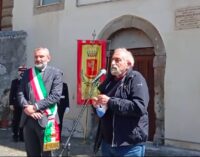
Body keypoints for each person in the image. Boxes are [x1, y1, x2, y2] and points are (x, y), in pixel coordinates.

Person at [92, 48, 149, 157]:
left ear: (129, 64)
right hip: (107, 144)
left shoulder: (136, 78)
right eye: (112, 60)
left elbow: (139, 107)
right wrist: (97, 106)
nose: (113, 63)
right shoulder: (108, 82)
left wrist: (110, 101)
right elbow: (104, 110)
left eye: (117, 60)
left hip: (129, 145)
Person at [17, 47, 63, 157]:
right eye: (36, 56)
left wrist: (35, 107)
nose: (38, 59)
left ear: (48, 58)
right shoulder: (28, 73)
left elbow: (55, 96)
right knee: (31, 154)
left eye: (41, 56)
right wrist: (28, 109)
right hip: (28, 120)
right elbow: (20, 92)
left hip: (48, 120)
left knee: (49, 154)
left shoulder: (56, 73)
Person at [9, 65, 27, 142]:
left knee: (23, 121)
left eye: (24, 71)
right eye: (21, 70)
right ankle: (15, 135)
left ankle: (22, 136)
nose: (22, 72)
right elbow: (11, 93)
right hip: (16, 104)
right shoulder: (14, 81)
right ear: (18, 71)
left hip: (25, 104)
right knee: (16, 121)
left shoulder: (28, 81)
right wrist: (11, 103)